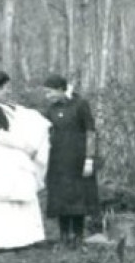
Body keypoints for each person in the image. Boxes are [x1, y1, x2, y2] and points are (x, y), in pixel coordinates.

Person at [0, 70, 50, 251]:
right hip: (1, 157)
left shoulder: (3, 107)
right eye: (6, 88)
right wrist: (26, 147)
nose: (9, 91)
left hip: (13, 157)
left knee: (21, 194)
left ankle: (24, 238)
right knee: (4, 197)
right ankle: (3, 241)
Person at [41, 74, 97, 247]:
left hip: (77, 161)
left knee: (78, 198)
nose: (47, 96)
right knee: (60, 199)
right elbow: (43, 133)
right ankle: (64, 236)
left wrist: (89, 158)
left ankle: (78, 237)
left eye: (49, 92)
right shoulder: (50, 110)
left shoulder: (80, 105)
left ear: (60, 89)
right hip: (57, 161)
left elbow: (91, 133)